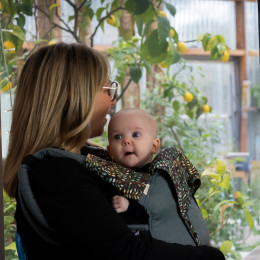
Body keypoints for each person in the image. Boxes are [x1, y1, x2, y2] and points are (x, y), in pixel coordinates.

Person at [3, 42, 225, 260]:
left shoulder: (84, 162)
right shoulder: (57, 174)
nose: (113, 100)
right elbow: (124, 252)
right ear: (74, 96)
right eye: (107, 89)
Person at [85, 108, 209, 246]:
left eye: (136, 134)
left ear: (154, 146)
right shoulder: (107, 173)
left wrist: (129, 207)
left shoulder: (160, 175)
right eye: (117, 137)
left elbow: (157, 209)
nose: (126, 141)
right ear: (110, 151)